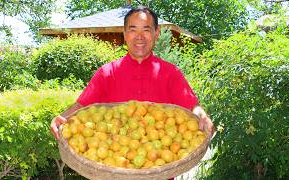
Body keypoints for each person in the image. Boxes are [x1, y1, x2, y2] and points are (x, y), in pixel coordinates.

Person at [50, 6, 214, 141]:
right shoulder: (107, 73)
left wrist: (202, 116)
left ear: (156, 33)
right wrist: (61, 118)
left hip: (160, 170)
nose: (139, 37)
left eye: (146, 30)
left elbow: (193, 107)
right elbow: (81, 106)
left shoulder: (171, 73)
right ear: (125, 33)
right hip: (113, 165)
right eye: (133, 30)